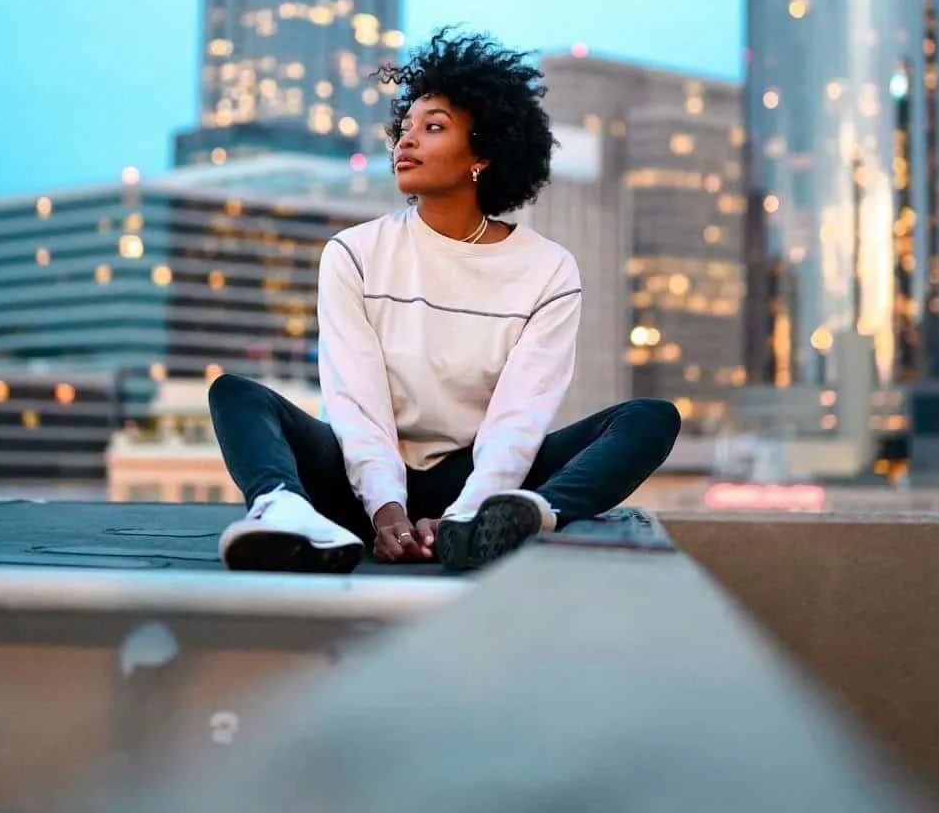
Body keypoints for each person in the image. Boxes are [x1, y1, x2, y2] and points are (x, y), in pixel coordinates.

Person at [210, 29, 681, 575]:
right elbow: (357, 404)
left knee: (649, 418)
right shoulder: (355, 252)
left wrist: (467, 512)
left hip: (480, 484)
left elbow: (517, 419)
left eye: (432, 127)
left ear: (482, 154)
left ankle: (527, 518)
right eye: (405, 128)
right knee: (237, 395)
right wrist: (386, 511)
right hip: (357, 485)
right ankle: (285, 512)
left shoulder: (547, 269)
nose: (406, 142)